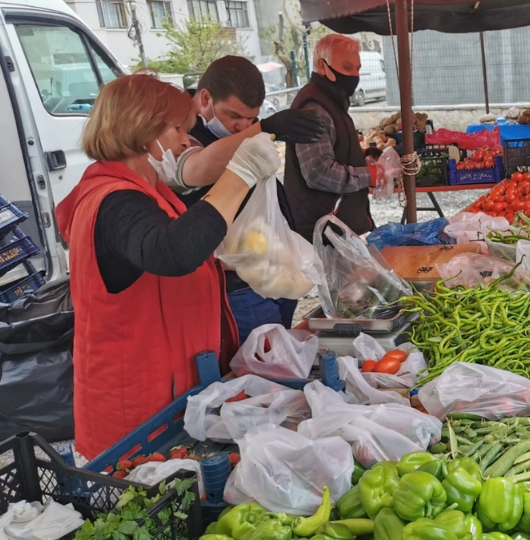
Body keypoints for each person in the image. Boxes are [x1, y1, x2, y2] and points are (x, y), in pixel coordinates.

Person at [55, 74, 280, 458]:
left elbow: (175, 258)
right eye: (177, 128)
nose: (184, 140)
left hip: (173, 394)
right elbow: (172, 252)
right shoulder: (114, 201)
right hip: (137, 417)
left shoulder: (150, 191)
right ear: (142, 128)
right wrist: (239, 175)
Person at [168, 56, 325, 344]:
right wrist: (263, 129)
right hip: (236, 285)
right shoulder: (183, 134)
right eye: (234, 116)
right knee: (261, 364)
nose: (243, 127)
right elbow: (198, 168)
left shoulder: (235, 128)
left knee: (280, 356)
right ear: (205, 98)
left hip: (271, 270)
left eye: (251, 118)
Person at [284, 34, 374, 241]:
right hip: (321, 231)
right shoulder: (314, 108)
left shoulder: (332, 101)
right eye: (347, 67)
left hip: (337, 227)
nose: (354, 75)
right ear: (322, 66)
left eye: (357, 68)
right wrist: (369, 175)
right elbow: (318, 172)